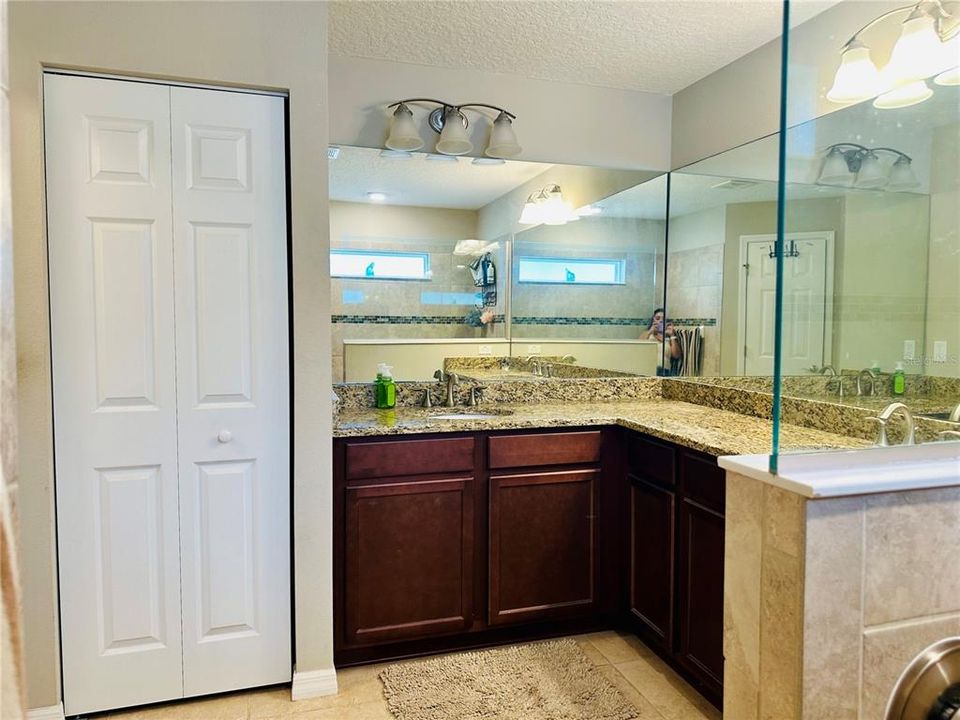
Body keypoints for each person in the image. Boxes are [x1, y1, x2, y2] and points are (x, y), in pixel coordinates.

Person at [646, 307, 681, 374]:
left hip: (664, 371)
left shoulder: (669, 338)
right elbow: (638, 346)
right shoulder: (647, 334)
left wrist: (672, 335)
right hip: (648, 369)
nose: (660, 321)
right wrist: (650, 332)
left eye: (663, 319)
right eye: (657, 318)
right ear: (653, 320)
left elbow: (676, 355)